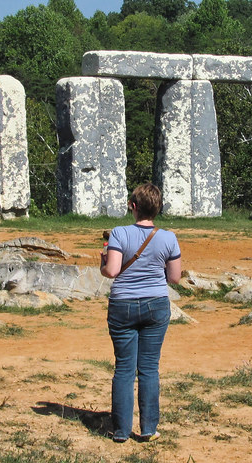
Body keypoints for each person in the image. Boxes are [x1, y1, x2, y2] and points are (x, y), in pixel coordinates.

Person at [99, 183, 182, 443]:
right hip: (156, 304)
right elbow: (175, 278)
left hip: (122, 304)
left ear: (133, 207)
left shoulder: (119, 233)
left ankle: (121, 431)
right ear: (158, 209)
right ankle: (148, 429)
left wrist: (102, 264)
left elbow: (112, 271)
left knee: (124, 368)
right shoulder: (169, 238)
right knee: (149, 368)